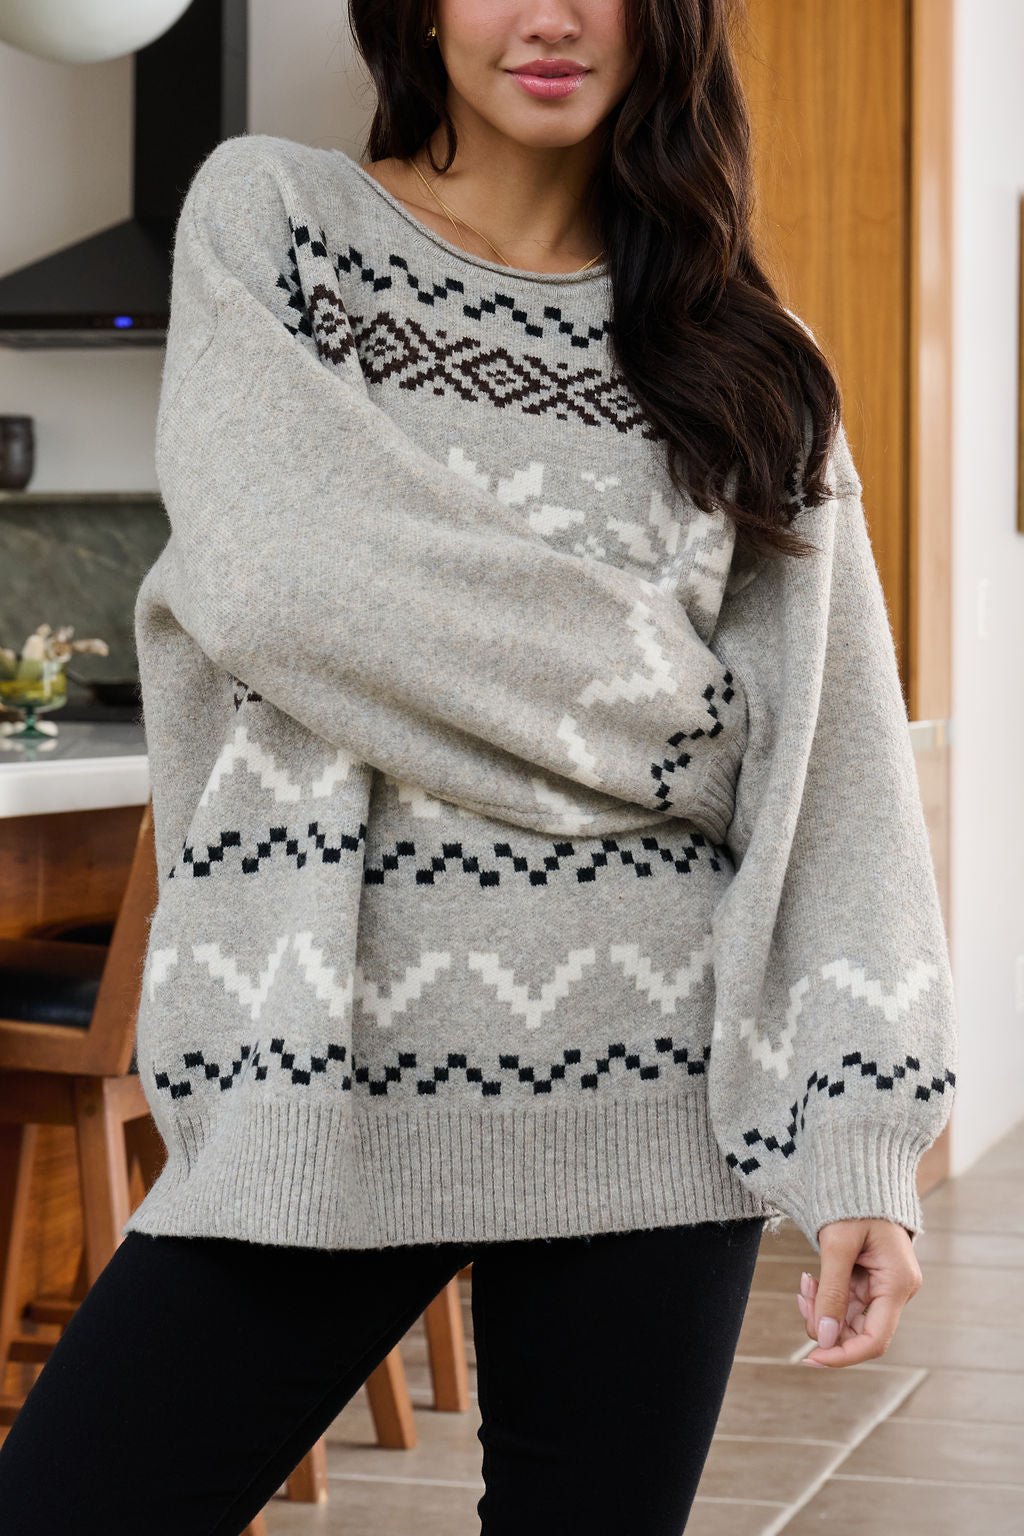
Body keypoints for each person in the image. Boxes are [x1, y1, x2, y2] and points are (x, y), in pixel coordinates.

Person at [0, 0, 957, 1531]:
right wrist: (700, 742)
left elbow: (835, 766)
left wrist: (864, 1140)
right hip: (319, 1077)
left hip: (655, 1103)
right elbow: (288, 580)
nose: (554, 15)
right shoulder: (281, 224)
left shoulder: (753, 360)